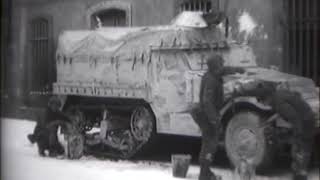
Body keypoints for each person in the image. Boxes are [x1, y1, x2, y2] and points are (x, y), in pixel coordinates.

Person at [234, 81, 316, 180]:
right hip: (307, 117)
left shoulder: (278, 103)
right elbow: (286, 110)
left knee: (299, 149)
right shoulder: (278, 94)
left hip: (305, 122)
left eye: (262, 102)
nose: (264, 104)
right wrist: (267, 122)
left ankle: (300, 175)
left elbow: (294, 117)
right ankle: (301, 171)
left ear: (267, 99)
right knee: (302, 148)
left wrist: (298, 134)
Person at [192, 54, 245, 180]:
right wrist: (215, 121)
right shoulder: (211, 80)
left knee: (209, 142)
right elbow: (207, 102)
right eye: (221, 64)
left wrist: (237, 69)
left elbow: (224, 70)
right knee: (210, 143)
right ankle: (204, 174)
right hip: (206, 115)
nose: (222, 66)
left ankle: (205, 172)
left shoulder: (212, 74)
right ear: (216, 66)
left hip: (206, 114)